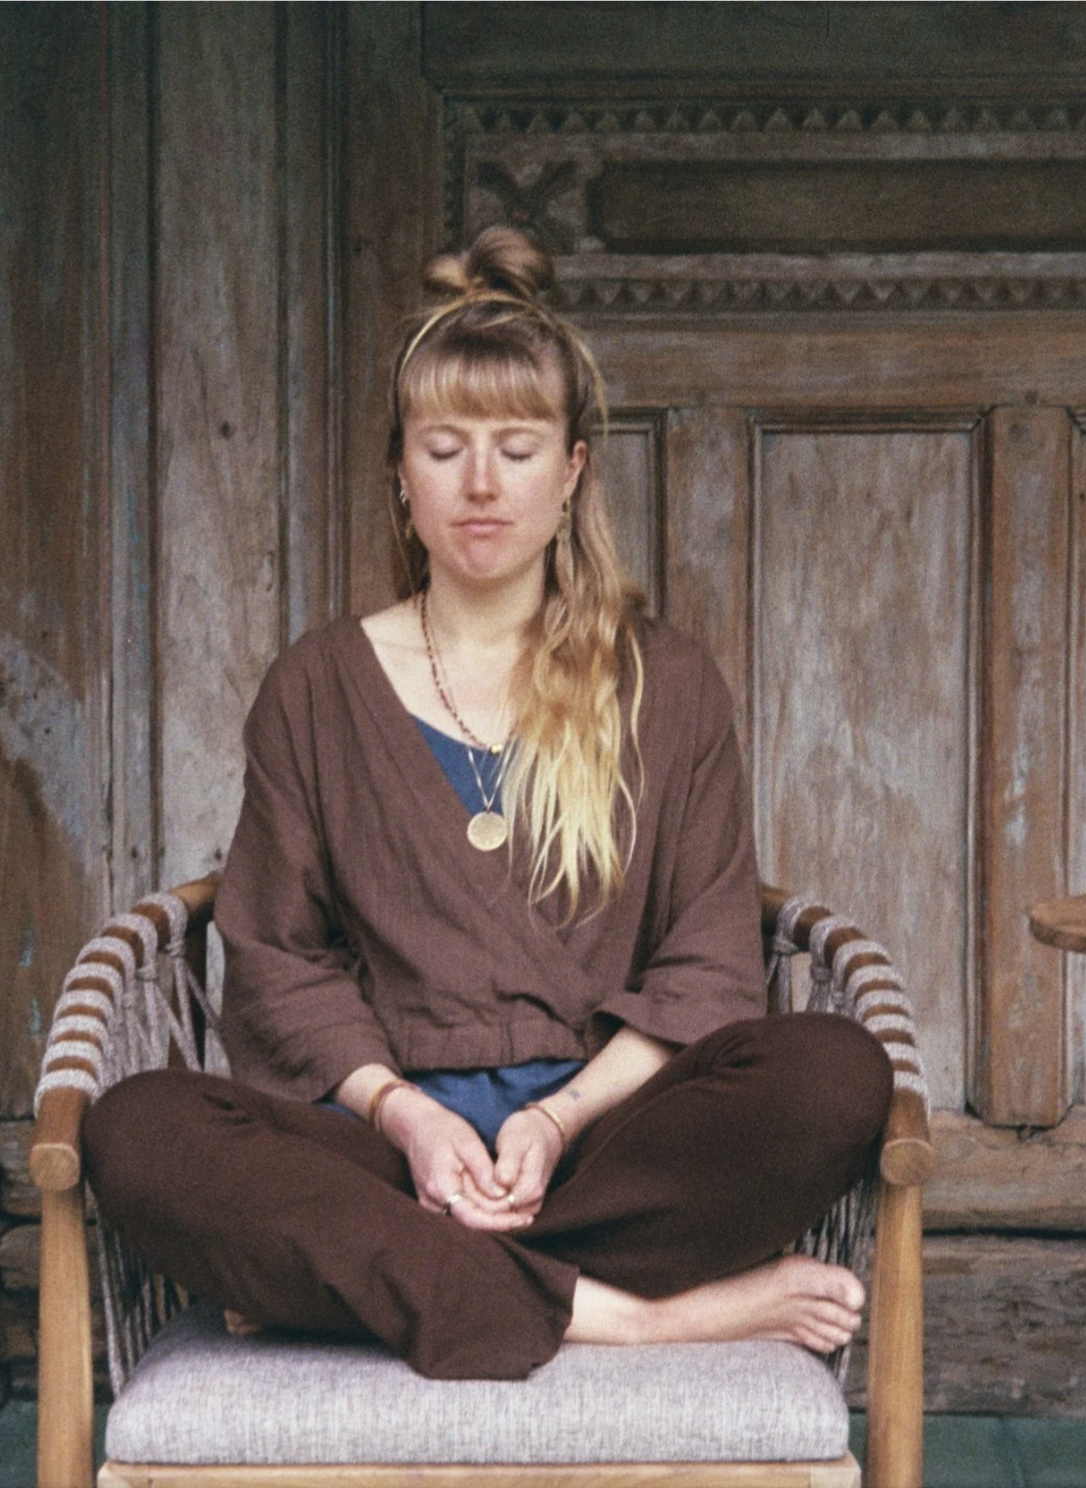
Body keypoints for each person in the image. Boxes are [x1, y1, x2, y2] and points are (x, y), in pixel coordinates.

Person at [84, 226, 893, 1382]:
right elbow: (276, 961)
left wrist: (553, 1122)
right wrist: (410, 1119)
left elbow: (709, 961)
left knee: (835, 1071)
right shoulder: (315, 687)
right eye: (444, 447)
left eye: (516, 449)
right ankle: (632, 1315)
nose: (479, 483)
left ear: (571, 473)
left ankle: (373, 1283)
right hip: (383, 1151)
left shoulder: (667, 685)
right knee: (140, 1131)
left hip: (604, 1145)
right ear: (399, 474)